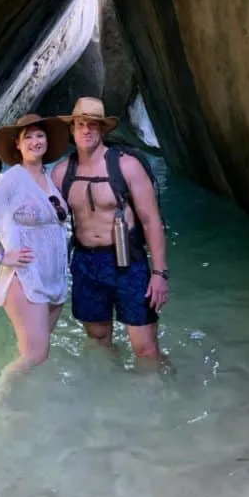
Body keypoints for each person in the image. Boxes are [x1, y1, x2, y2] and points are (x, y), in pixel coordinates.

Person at [51, 97, 169, 360]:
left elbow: (151, 221)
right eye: (81, 124)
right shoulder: (61, 173)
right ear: (72, 129)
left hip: (128, 263)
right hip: (85, 263)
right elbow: (47, 222)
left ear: (103, 130)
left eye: (93, 125)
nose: (86, 130)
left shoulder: (127, 165)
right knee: (98, 341)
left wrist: (160, 273)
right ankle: (113, 397)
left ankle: (163, 395)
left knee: (146, 349)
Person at [0, 113, 70, 397]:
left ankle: (31, 399)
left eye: (40, 136)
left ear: (47, 141)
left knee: (38, 351)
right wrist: (0, 256)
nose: (36, 141)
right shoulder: (12, 178)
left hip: (53, 278)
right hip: (25, 278)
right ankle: (0, 396)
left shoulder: (49, 181)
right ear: (18, 145)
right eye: (29, 137)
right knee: (35, 355)